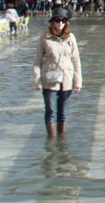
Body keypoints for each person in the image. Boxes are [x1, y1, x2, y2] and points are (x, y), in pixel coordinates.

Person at [33, 8, 82, 138]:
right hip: (50, 79)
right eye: (57, 20)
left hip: (66, 79)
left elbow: (76, 60)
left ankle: (62, 139)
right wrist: (37, 80)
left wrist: (78, 82)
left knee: (63, 113)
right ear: (52, 22)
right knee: (51, 111)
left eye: (63, 21)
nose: (60, 23)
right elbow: (37, 61)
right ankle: (51, 138)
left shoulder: (71, 38)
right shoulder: (44, 37)